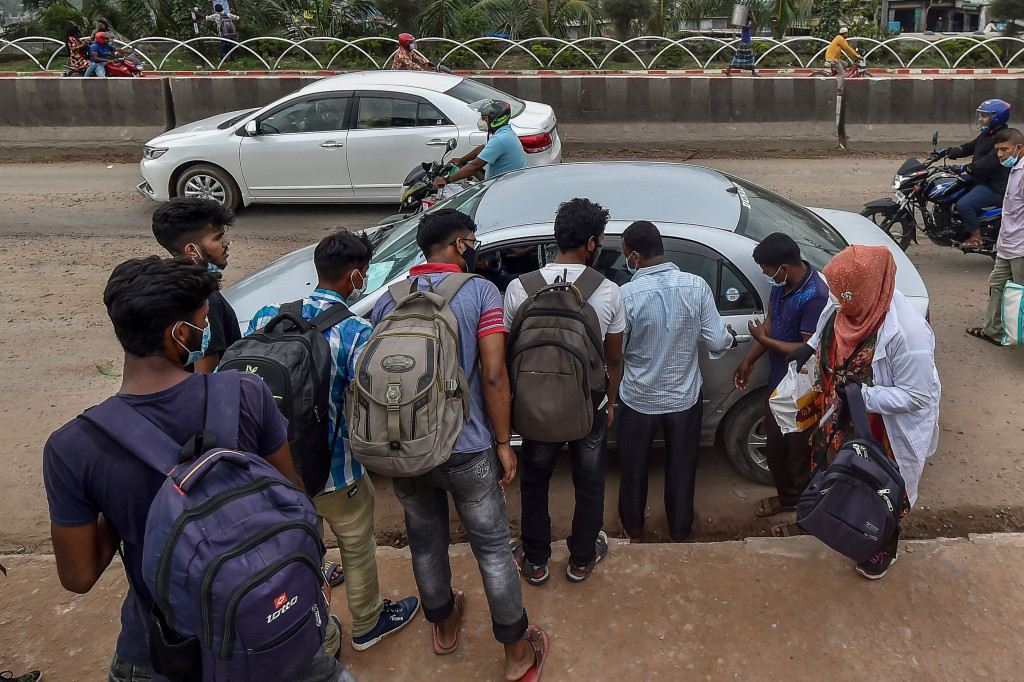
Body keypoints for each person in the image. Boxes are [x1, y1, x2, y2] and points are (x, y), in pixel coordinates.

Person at [42, 257, 356, 681]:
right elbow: (294, 492)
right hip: (263, 620)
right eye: (203, 322)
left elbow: (78, 576)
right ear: (180, 334)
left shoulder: (73, 447)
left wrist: (126, 504)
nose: (207, 332)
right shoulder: (246, 392)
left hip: (165, 651)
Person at [371, 209, 548, 681]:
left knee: (425, 543)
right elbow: (493, 373)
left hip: (406, 447)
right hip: (467, 447)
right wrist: (504, 442)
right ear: (460, 244)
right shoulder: (481, 293)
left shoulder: (387, 301)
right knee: (491, 550)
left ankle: (445, 627)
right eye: (472, 240)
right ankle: (515, 656)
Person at [247, 230, 420, 652]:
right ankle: (367, 624)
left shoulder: (268, 315)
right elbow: (374, 400)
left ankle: (317, 633)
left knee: (295, 550)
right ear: (357, 277)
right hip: (336, 470)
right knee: (356, 547)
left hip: (273, 468)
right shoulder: (357, 332)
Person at [786, 245, 941, 579]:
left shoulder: (909, 335)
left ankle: (880, 546)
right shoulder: (848, 300)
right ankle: (834, 520)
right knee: (837, 475)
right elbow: (828, 325)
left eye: (844, 296)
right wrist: (807, 349)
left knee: (874, 490)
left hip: (877, 429)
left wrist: (862, 396)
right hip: (838, 418)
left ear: (866, 290)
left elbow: (917, 396)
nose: (837, 302)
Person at [503, 197, 624, 582]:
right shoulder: (606, 291)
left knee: (535, 482)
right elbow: (614, 358)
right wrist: (611, 401)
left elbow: (508, 355)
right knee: (589, 482)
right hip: (588, 407)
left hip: (534, 408)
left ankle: (536, 560)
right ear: (591, 242)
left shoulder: (519, 289)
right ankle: (582, 558)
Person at [617, 221, 738, 542]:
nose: (625, 259)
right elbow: (715, 341)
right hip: (684, 400)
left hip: (637, 400)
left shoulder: (625, 295)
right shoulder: (696, 286)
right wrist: (728, 337)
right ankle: (680, 531)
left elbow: (617, 352)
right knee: (682, 469)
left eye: (626, 253)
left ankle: (633, 530)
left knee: (633, 470)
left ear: (636, 256)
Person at [733, 233, 829, 523]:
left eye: (766, 269)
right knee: (776, 446)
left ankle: (800, 506)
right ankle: (789, 497)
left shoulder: (814, 296)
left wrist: (764, 339)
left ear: (783, 267)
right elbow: (771, 324)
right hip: (779, 381)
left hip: (802, 387)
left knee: (797, 451)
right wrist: (749, 360)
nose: (765, 275)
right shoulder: (782, 286)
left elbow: (807, 349)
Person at [152, 197, 240, 373]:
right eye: (218, 238)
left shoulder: (167, 285)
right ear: (192, 250)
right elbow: (206, 380)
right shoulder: (205, 300)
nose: (226, 243)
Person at [968, 126, 1024, 345]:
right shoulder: (1014, 169)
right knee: (998, 283)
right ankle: (993, 330)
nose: (1000, 154)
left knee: (1020, 293)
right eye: (998, 150)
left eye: (1004, 149)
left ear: (1018, 148)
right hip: (1007, 244)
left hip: (1020, 246)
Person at [936, 98, 1012, 247]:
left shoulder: (1004, 138)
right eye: (981, 115)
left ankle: (976, 237)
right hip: (979, 178)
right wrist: (948, 151)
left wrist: (965, 167)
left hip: (994, 185)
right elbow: (970, 147)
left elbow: (989, 162)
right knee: (952, 189)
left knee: (964, 204)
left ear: (997, 117)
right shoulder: (988, 134)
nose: (981, 119)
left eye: (984, 116)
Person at [434, 100, 528, 188]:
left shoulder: (500, 139)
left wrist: (446, 180)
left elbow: (475, 166)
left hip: (507, 187)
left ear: (496, 120)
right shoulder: (504, 132)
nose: (481, 121)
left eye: (484, 118)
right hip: (507, 183)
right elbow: (482, 148)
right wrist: (461, 160)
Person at [825, 27, 861, 94]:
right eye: (847, 33)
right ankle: (838, 89)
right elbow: (847, 48)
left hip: (833, 57)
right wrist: (857, 56)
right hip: (833, 59)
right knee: (842, 73)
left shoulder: (838, 37)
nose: (847, 35)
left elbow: (846, 49)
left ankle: (837, 76)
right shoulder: (840, 39)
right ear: (844, 33)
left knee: (845, 64)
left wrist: (852, 54)